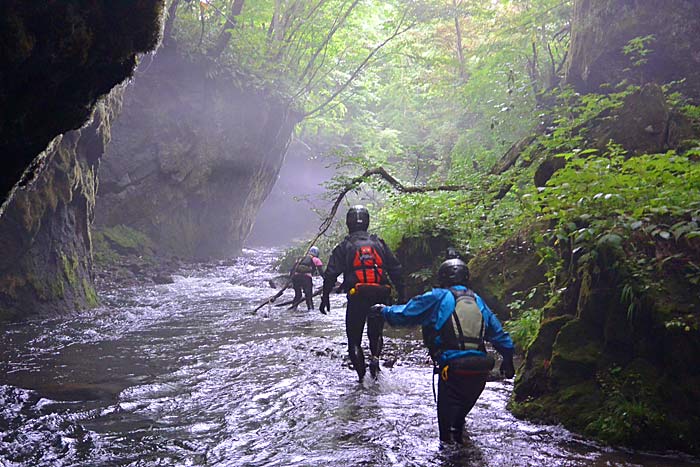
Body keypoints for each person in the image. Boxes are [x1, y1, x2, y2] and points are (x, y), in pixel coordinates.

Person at [369, 258, 515, 444]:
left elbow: (405, 315)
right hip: (479, 374)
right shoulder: (478, 300)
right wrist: (508, 359)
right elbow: (500, 335)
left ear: (443, 278)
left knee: (447, 437)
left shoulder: (437, 297)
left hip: (452, 372)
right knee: (459, 423)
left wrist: (382, 310)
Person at [320, 205, 405, 382]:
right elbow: (395, 268)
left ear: (348, 223)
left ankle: (361, 380)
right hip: (380, 295)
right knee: (376, 333)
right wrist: (402, 294)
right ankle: (375, 361)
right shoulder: (379, 243)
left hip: (357, 296)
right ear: (367, 222)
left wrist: (325, 297)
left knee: (354, 341)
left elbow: (330, 274)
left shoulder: (345, 246)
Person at [288, 246, 323, 311]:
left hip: (295, 278)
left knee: (298, 295)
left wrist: (290, 280)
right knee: (308, 296)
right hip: (306, 278)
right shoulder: (316, 260)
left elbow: (293, 269)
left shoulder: (300, 258)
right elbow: (321, 272)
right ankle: (311, 310)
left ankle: (293, 308)